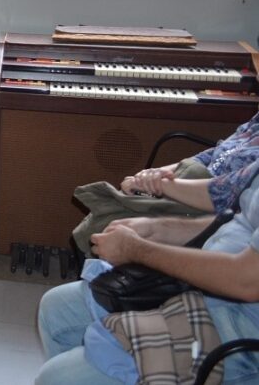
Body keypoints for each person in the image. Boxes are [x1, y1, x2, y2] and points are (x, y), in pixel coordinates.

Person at [36, 164, 259, 384]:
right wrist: (159, 228)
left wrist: (136, 250)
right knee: (58, 309)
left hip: (241, 326)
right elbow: (235, 216)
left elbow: (248, 280)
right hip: (207, 289)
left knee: (57, 378)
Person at [122, 111, 259, 213]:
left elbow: (226, 194)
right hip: (187, 189)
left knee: (115, 220)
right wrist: (152, 175)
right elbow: (213, 155)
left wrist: (158, 184)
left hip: (213, 212)